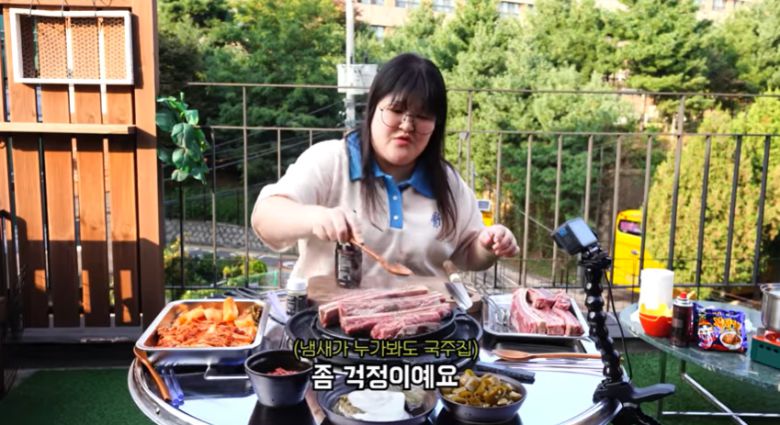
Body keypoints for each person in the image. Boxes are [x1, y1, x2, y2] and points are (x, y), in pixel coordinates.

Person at [252, 53, 518, 280]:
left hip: (423, 319)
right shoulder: (330, 160)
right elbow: (265, 217)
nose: (407, 125)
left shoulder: (447, 181)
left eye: (422, 115)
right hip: (325, 319)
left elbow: (468, 254)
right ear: (372, 108)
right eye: (396, 110)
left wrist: (489, 245)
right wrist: (314, 217)